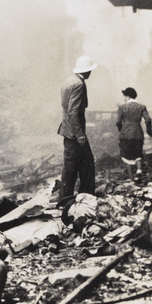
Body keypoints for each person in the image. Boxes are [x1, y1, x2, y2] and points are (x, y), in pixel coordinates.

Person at [57, 55, 97, 201]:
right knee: (84, 166)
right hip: (74, 133)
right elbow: (73, 111)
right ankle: (83, 198)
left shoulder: (69, 80)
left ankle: (67, 198)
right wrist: (80, 134)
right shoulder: (79, 84)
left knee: (72, 167)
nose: (91, 73)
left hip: (68, 131)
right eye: (90, 70)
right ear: (86, 71)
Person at [116, 87, 152, 183]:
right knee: (137, 154)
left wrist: (122, 130)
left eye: (124, 96)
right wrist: (149, 131)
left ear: (128, 96)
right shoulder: (141, 107)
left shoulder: (122, 107)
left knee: (126, 158)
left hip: (125, 135)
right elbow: (148, 119)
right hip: (138, 134)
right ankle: (139, 170)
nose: (123, 98)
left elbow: (118, 122)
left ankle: (132, 180)